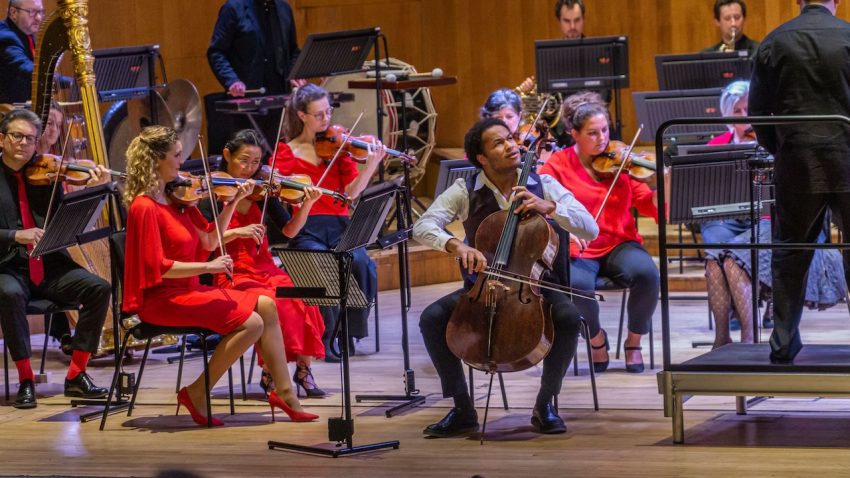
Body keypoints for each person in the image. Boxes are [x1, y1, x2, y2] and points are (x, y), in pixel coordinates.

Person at [413, 117, 598, 437]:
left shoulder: (543, 185)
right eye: (499, 142)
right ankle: (462, 407)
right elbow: (423, 226)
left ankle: (545, 404)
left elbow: (589, 228)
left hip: (534, 288)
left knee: (568, 318)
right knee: (431, 318)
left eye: (511, 138)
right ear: (482, 158)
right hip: (482, 288)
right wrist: (456, 245)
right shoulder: (464, 190)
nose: (511, 145)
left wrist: (550, 207)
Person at [121, 125, 318, 426]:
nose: (182, 162)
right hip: (163, 298)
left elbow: (210, 241)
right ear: (156, 160)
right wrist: (208, 268)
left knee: (266, 305)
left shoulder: (179, 202)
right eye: (176, 156)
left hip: (189, 291)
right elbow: (158, 268)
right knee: (252, 323)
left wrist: (231, 203)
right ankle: (198, 391)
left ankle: (286, 393)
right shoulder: (144, 207)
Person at [749, 0, 850, 364]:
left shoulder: (774, 41)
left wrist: (782, 148)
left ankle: (783, 345)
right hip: (849, 159)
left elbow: (757, 111)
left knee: (791, 252)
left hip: (797, 162)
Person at [539, 91, 660, 374]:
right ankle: (596, 339)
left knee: (648, 274)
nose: (602, 138)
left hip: (619, 243)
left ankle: (634, 342)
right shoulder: (557, 165)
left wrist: (665, 181)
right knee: (578, 286)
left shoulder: (623, 165)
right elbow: (543, 204)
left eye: (605, 130)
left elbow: (647, 203)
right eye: (592, 133)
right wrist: (565, 227)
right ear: (574, 134)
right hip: (577, 245)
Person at [202, 129, 328, 397]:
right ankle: (272, 370)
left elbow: (290, 231)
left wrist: (306, 204)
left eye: (256, 162)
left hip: (265, 268)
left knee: (303, 296)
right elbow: (202, 240)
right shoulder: (213, 192)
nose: (250, 169)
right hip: (231, 273)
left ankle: (303, 370)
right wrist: (237, 232)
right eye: (244, 160)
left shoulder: (263, 191)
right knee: (276, 302)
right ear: (227, 155)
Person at [0, 108, 112, 409]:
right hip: (8, 266)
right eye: (17, 136)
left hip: (49, 266)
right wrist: (15, 236)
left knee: (99, 288)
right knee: (8, 293)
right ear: (2, 138)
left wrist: (90, 191)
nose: (24, 143)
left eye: (31, 139)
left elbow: (63, 219)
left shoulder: (46, 174)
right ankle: (25, 380)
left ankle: (76, 375)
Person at [273, 84, 384, 362]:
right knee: (321, 263)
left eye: (328, 112)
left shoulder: (339, 149)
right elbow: (279, 188)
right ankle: (327, 336)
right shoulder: (286, 152)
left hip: (340, 225)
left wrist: (371, 164)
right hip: (307, 228)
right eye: (319, 114)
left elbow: (351, 193)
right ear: (302, 116)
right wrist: (276, 181)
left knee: (360, 263)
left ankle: (348, 334)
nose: (327, 119)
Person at [206, 0, 303, 155]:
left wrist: (294, 73)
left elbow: (293, 51)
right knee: (246, 158)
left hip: (279, 100)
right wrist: (232, 80)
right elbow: (216, 52)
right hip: (246, 101)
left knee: (274, 157)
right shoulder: (234, 8)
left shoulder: (284, 8)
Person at [0, 0, 44, 104]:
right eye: (32, 12)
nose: (39, 18)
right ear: (13, 13)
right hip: (7, 113)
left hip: (23, 107)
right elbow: (26, 68)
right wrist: (65, 81)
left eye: (41, 12)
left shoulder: (26, 32)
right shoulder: (5, 37)